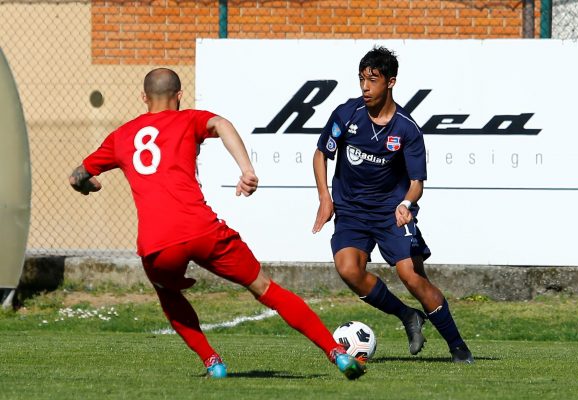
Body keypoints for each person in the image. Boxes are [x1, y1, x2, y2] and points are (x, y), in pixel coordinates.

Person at [69, 68, 366, 379]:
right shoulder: (187, 119)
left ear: (144, 97)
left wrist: (89, 186)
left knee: (168, 295)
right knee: (264, 287)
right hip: (202, 229)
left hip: (158, 243)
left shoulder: (120, 137)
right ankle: (337, 353)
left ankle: (213, 362)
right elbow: (221, 123)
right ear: (179, 96)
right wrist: (246, 169)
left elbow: (77, 177)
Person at [312, 46, 473, 363]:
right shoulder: (347, 114)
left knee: (412, 277)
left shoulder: (406, 128)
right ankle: (408, 316)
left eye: (372, 80)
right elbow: (321, 153)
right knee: (348, 270)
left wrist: (406, 203)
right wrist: (324, 198)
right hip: (352, 211)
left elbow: (417, 183)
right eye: (361, 79)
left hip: (391, 213)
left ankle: (458, 347)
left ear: (391, 82)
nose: (365, 87)